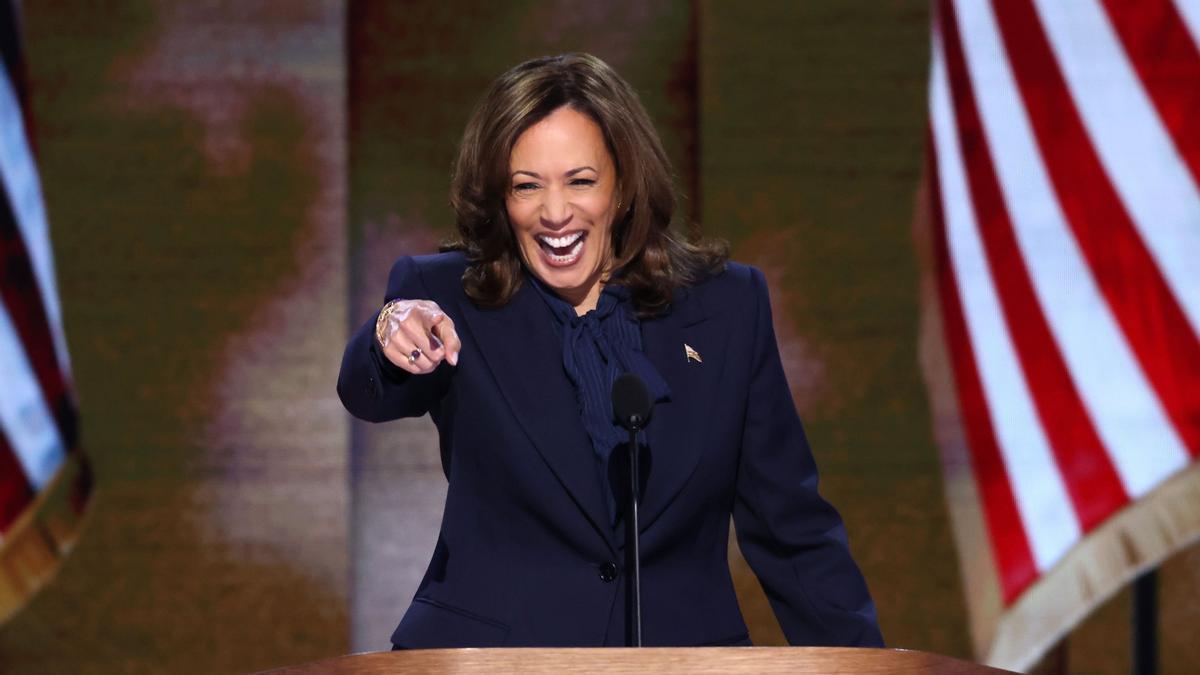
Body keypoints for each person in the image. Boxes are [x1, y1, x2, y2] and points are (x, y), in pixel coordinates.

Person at [337, 52, 883, 649]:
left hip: (682, 661)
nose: (554, 212)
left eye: (581, 181)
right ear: (501, 198)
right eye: (526, 186)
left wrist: (864, 665)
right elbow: (369, 394)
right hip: (495, 659)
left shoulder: (727, 307)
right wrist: (390, 335)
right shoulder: (449, 295)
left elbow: (790, 527)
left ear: (622, 187)